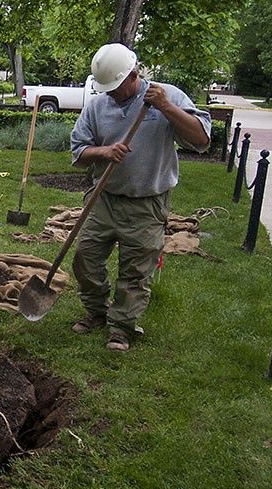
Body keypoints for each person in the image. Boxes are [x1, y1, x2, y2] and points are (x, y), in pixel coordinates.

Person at [69, 43, 211, 351]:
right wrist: (103, 152)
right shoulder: (97, 106)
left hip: (147, 201)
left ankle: (121, 327)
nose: (110, 93)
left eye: (116, 86)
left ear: (134, 75)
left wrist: (166, 108)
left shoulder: (166, 96)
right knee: (85, 258)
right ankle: (96, 311)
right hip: (103, 197)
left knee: (136, 270)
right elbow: (79, 153)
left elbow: (201, 140)